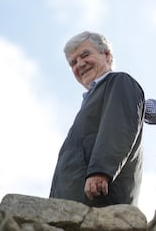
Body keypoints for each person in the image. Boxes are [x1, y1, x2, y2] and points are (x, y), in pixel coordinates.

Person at [49, 31, 145, 207]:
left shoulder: (119, 82)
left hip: (99, 201)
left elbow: (118, 128)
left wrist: (101, 172)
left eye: (85, 55)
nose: (80, 64)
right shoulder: (91, 100)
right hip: (72, 206)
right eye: (73, 62)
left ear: (106, 55)